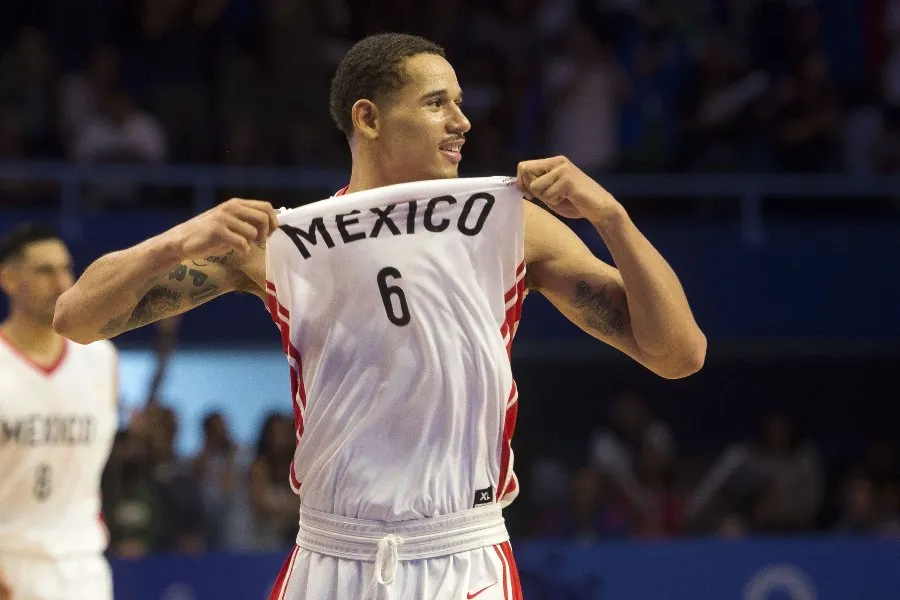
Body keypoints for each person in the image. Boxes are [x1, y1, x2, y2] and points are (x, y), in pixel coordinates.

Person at [54, 33, 706, 599]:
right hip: (328, 553)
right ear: (368, 118)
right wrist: (173, 243)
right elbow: (76, 320)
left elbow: (677, 354)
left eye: (459, 102)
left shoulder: (511, 224)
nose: (462, 121)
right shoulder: (280, 242)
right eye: (436, 103)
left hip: (459, 552)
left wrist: (611, 219)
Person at [0, 223, 118, 600]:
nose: (61, 281)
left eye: (66, 269)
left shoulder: (100, 357)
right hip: (10, 561)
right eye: (44, 270)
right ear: (8, 278)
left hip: (83, 566)